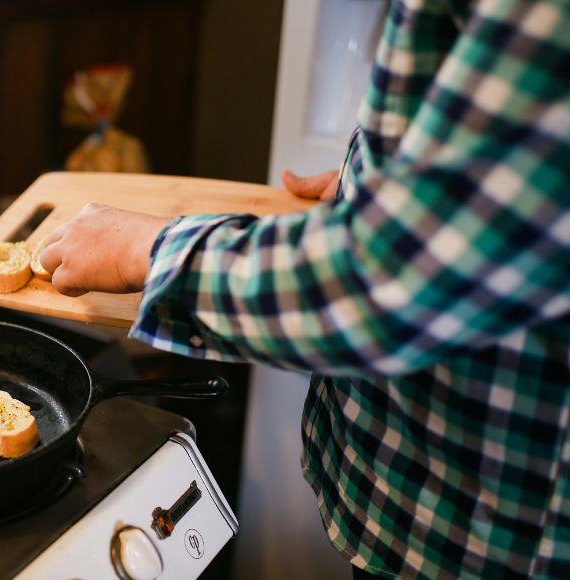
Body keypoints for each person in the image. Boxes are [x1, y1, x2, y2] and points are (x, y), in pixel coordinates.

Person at [40, 1, 570, 578]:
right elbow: (512, 188)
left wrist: (145, 249)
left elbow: (387, 281)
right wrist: (386, 186)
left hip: (476, 533)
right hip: (410, 489)